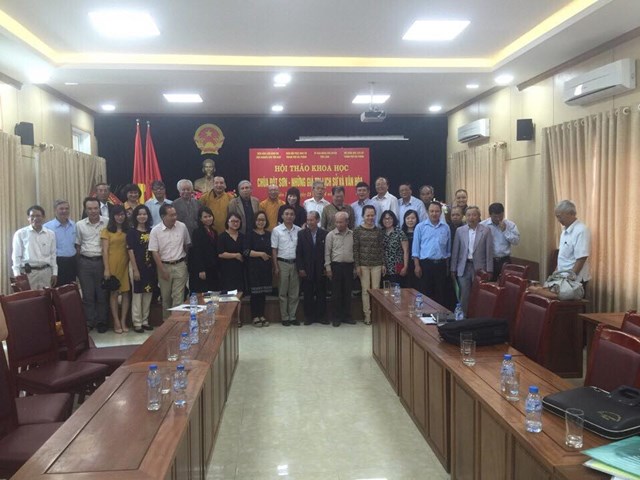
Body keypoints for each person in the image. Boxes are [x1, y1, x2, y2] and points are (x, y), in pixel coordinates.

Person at [149, 204, 191, 319]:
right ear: (163, 216)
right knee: (166, 298)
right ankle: (166, 323)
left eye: (175, 214)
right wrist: (162, 270)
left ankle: (177, 323)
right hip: (164, 266)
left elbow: (187, 244)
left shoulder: (182, 226)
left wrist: (185, 261)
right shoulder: (155, 231)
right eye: (171, 215)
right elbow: (154, 252)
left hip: (180, 265)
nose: (174, 217)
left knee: (178, 297)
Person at [450, 206, 494, 314]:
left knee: (479, 294)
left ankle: (477, 317)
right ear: (465, 217)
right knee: (464, 294)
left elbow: (489, 252)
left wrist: (489, 270)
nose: (471, 217)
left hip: (480, 268)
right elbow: (455, 251)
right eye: (468, 215)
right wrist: (453, 268)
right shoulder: (460, 231)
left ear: (479, 216)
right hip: (464, 267)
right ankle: (463, 317)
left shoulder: (486, 230)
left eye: (474, 215)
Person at [76, 197, 109, 332]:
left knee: (102, 294)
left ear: (99, 209)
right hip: (85, 262)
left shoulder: (107, 222)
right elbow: (78, 245)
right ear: (85, 210)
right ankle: (89, 322)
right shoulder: (79, 225)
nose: (93, 211)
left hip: (102, 261)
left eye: (95, 208)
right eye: (90, 209)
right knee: (88, 295)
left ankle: (102, 322)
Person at [413, 202, 451, 307]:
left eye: (437, 211)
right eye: (432, 211)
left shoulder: (446, 227)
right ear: (428, 212)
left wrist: (447, 267)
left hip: (441, 265)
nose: (434, 214)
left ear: (440, 212)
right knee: (425, 293)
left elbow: (448, 250)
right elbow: (415, 249)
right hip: (425, 265)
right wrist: (417, 266)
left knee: (441, 293)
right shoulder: (420, 227)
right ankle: (425, 315)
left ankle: (439, 315)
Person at [101, 205, 131, 333]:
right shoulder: (106, 231)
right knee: (114, 293)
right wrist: (106, 269)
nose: (120, 217)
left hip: (126, 265)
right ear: (113, 216)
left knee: (126, 293)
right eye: (117, 215)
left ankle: (123, 321)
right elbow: (104, 251)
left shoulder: (128, 230)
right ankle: (116, 321)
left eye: (122, 214)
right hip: (112, 264)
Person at [12, 205, 57, 289]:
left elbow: (53, 255)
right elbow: (16, 256)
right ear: (28, 218)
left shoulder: (50, 234)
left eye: (38, 216)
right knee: (30, 296)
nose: (35, 218)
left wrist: (55, 273)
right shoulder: (20, 234)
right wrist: (17, 275)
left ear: (43, 217)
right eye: (32, 216)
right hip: (28, 273)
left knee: (45, 296)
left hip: (46, 272)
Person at [126, 204, 156, 333]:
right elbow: (130, 251)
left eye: (144, 214)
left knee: (148, 293)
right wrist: (135, 269)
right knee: (137, 294)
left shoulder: (152, 231)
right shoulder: (131, 232)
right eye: (139, 214)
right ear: (135, 216)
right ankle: (137, 322)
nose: (142, 216)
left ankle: (145, 321)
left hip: (150, 267)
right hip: (136, 266)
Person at [353, 205, 384, 325]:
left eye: (372, 215)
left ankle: (376, 315)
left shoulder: (379, 230)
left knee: (376, 290)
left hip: (377, 264)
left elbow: (381, 248)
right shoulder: (357, 230)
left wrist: (383, 264)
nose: (370, 217)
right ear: (363, 216)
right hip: (363, 265)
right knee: (365, 290)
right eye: (368, 215)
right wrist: (357, 265)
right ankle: (367, 316)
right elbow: (355, 249)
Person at [296, 210, 328, 325]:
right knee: (308, 294)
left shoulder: (325, 233)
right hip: (307, 268)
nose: (309, 222)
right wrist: (300, 268)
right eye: (308, 220)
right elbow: (299, 252)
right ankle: (309, 317)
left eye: (312, 220)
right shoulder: (301, 234)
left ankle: (321, 316)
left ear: (317, 220)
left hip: (321, 268)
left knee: (321, 294)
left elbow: (327, 252)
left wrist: (326, 267)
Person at [272, 206, 302, 326]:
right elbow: (274, 250)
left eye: (291, 214)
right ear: (282, 216)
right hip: (282, 263)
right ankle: (284, 317)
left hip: (295, 263)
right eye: (287, 214)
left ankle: (292, 316)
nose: (289, 216)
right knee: (283, 292)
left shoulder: (299, 230)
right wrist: (276, 267)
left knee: (294, 292)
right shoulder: (276, 230)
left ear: (294, 216)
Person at [325, 211, 355, 327]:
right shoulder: (330, 235)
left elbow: (355, 251)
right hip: (336, 266)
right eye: (336, 222)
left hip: (349, 266)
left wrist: (355, 267)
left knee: (347, 292)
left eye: (341, 222)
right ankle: (336, 317)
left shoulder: (352, 234)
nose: (338, 224)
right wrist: (328, 268)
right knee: (336, 293)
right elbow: (327, 253)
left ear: (347, 222)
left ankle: (347, 316)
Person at [244, 211, 273, 327]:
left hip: (266, 268)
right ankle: (255, 316)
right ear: (255, 221)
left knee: (263, 294)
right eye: (259, 220)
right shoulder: (249, 234)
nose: (261, 222)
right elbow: (246, 251)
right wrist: (261, 254)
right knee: (255, 294)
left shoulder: (269, 234)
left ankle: (261, 315)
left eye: (263, 220)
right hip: (254, 268)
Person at [554, 200, 591, 288]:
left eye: (559, 217)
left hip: (575, 280)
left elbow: (581, 258)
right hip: (562, 277)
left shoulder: (581, 230)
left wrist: (570, 279)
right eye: (557, 217)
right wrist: (555, 272)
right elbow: (562, 256)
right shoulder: (564, 231)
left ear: (570, 214)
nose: (558, 220)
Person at [480, 202, 521, 281]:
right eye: (495, 216)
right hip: (489, 261)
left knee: (506, 283)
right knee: (488, 283)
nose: (498, 218)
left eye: (500, 216)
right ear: (490, 215)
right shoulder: (483, 225)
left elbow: (516, 241)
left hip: (504, 260)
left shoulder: (510, 225)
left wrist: (505, 231)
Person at [44, 199, 77, 286]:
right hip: (57, 262)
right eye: (61, 209)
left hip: (72, 262)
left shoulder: (74, 225)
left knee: (70, 289)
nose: (64, 211)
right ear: (55, 210)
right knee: (57, 289)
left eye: (66, 208)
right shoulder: (47, 227)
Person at [190, 206, 219, 293]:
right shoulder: (197, 232)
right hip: (203, 268)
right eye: (205, 217)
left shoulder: (214, 232)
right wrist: (201, 269)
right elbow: (197, 252)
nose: (208, 219)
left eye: (210, 216)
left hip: (213, 267)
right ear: (200, 219)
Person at [217, 212, 245, 294]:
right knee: (228, 296)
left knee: (239, 295)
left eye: (237, 221)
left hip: (240, 271)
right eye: (232, 221)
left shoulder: (242, 236)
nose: (235, 223)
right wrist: (235, 255)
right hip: (227, 271)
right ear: (227, 222)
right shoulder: (222, 237)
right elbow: (220, 254)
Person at [380, 210, 409, 285]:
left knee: (396, 290)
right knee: (385, 290)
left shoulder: (400, 232)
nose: (387, 220)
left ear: (394, 219)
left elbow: (406, 251)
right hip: (383, 268)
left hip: (397, 268)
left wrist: (405, 267)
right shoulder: (380, 233)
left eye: (390, 218)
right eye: (385, 218)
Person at [401, 209, 422, 290]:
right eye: (408, 218)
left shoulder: (420, 232)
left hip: (417, 262)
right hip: (404, 262)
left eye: (413, 218)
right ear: (404, 219)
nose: (410, 220)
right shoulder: (401, 232)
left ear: (417, 219)